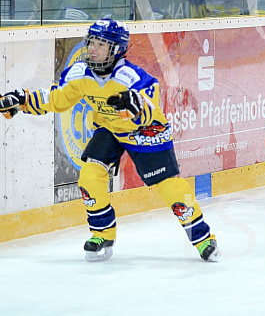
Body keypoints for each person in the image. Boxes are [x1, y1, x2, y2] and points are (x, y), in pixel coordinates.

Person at [0, 18, 220, 262]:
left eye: (100, 45)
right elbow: (57, 99)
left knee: (170, 187)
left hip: (146, 132)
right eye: (91, 43)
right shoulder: (79, 74)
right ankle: (102, 234)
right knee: (89, 176)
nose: (92, 49)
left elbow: (149, 105)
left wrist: (136, 105)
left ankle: (203, 239)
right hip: (109, 129)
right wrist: (22, 101)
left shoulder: (132, 77)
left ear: (116, 50)